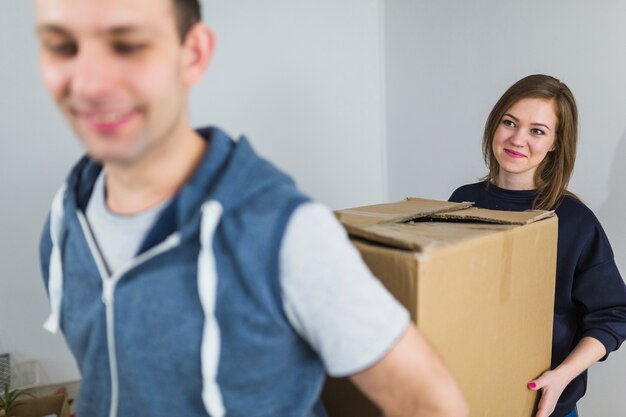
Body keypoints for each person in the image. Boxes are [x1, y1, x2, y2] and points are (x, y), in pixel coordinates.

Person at [34, 1, 468, 417]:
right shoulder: (62, 226)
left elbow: (432, 405)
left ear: (194, 53)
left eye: (126, 44)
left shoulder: (284, 230)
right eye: (62, 46)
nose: (88, 83)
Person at [449, 74, 626, 417]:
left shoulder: (574, 220)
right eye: (510, 122)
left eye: (537, 131)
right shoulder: (461, 203)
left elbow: (615, 314)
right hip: (471, 397)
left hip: (542, 407)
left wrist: (561, 377)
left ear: (556, 143)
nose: (517, 139)